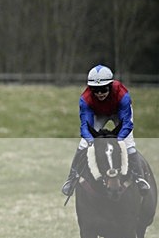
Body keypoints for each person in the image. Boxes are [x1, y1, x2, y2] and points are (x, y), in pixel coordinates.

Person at [61, 64, 150, 196]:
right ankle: (72, 178)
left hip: (119, 113)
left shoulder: (122, 95)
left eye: (103, 89)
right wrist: (91, 141)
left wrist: (118, 140)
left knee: (129, 144)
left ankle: (139, 177)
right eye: (95, 90)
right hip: (99, 114)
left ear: (111, 85)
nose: (100, 93)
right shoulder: (85, 99)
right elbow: (85, 126)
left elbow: (127, 123)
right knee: (83, 144)